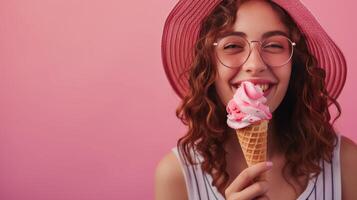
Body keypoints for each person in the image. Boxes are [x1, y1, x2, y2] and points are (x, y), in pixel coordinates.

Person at [155, 0, 357, 199]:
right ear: (209, 66)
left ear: (295, 64)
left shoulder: (346, 163)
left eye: (274, 45)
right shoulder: (176, 176)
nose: (255, 64)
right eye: (232, 45)